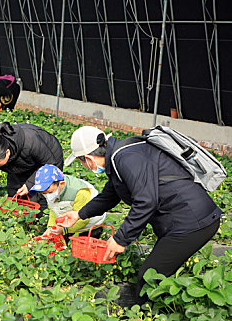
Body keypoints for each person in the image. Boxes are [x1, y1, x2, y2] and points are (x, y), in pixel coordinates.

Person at [58, 126, 222, 304]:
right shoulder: (119, 157)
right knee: (159, 274)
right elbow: (109, 196)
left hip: (192, 222)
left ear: (88, 159)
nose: (84, 166)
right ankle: (166, 308)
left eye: (81, 162)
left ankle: (142, 314)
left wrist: (120, 239)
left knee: (149, 277)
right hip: (183, 219)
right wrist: (79, 214)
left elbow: (146, 202)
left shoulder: (127, 159)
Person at [0, 122, 63, 215]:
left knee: (44, 191)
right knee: (15, 193)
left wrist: (29, 184)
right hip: (22, 160)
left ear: (7, 152)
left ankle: (43, 218)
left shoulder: (31, 142)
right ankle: (22, 219)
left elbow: (50, 165)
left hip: (49, 158)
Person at [30, 164, 107, 243]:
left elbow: (83, 219)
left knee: (86, 247)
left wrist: (63, 229)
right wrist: (51, 228)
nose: (47, 196)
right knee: (63, 244)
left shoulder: (80, 192)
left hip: (90, 222)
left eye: (49, 192)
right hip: (69, 219)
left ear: (62, 184)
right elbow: (53, 209)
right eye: (44, 193)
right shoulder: (50, 190)